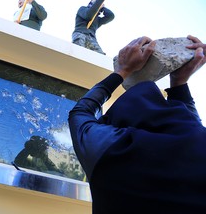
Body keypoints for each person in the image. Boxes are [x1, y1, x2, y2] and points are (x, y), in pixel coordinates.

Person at [68, 35, 206, 213]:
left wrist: (122, 72)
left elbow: (80, 113)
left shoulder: (112, 150)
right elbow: (193, 127)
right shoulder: (197, 143)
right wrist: (179, 82)